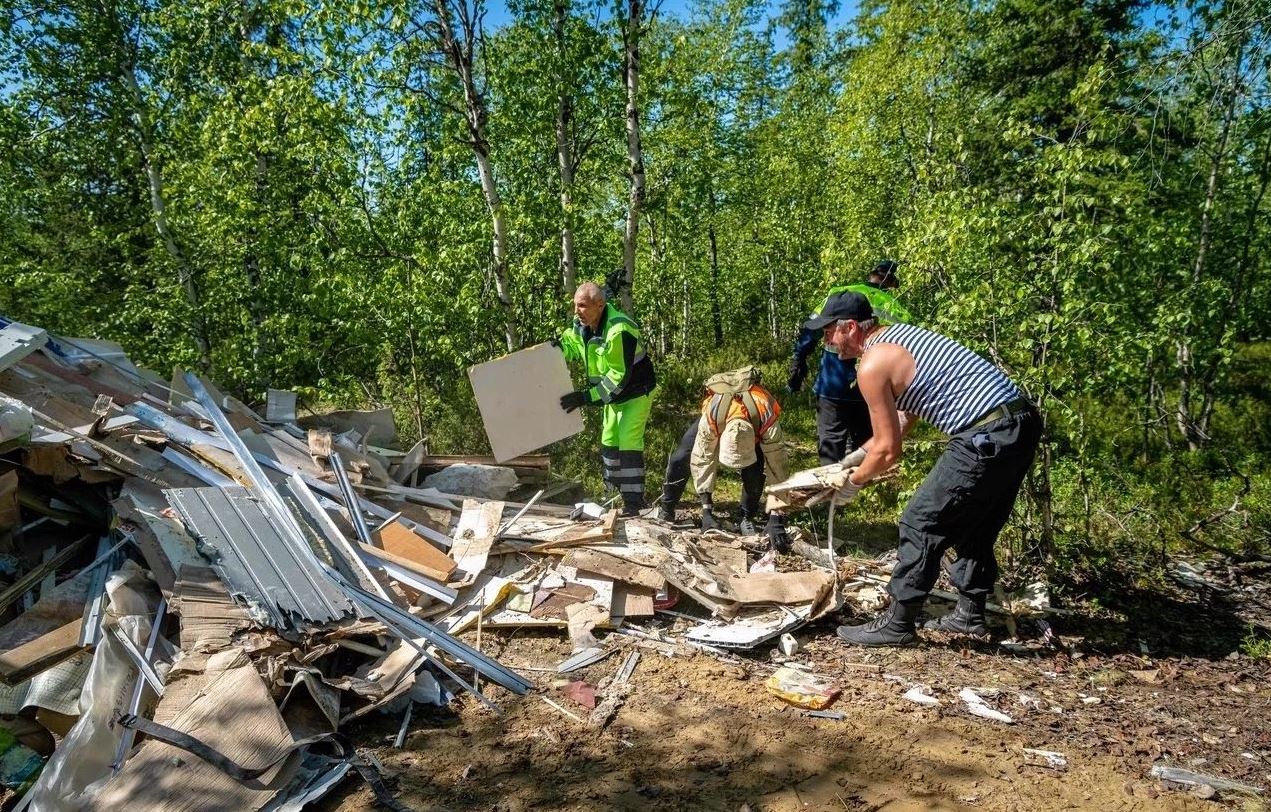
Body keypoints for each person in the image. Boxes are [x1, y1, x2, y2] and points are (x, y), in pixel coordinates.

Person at [803, 291, 1040, 646]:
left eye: (829, 333)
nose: (827, 342)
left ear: (850, 328)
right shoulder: (901, 338)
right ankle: (970, 616)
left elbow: (888, 450)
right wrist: (855, 457)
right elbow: (903, 418)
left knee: (920, 520)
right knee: (977, 520)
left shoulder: (872, 364)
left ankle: (898, 624)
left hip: (985, 433)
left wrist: (853, 482)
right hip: (1019, 422)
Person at [788, 260, 913, 464]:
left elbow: (810, 331)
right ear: (889, 282)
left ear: (871, 274)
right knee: (865, 447)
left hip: (832, 384)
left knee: (830, 447)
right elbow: (905, 346)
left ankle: (830, 491)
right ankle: (860, 489)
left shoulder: (840, 294)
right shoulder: (894, 306)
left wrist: (798, 361)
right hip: (872, 390)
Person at [657, 368, 792, 550]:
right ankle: (666, 509)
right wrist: (706, 510)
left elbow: (778, 468)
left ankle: (746, 516)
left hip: (755, 424)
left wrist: (776, 515)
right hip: (720, 419)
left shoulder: (766, 419)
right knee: (680, 459)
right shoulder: (713, 416)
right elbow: (702, 459)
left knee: (755, 473)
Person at [556, 282, 657, 515]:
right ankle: (612, 496)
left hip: (636, 392)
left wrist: (584, 397)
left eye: (582, 306)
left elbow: (617, 378)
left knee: (628, 441)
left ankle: (633, 503)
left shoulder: (619, 330)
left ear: (600, 305)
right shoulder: (583, 325)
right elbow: (572, 345)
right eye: (575, 305)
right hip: (613, 397)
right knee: (609, 441)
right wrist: (556, 349)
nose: (576, 311)